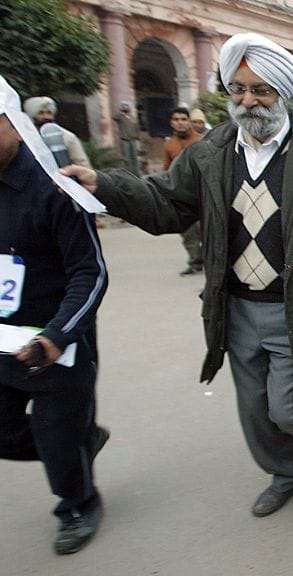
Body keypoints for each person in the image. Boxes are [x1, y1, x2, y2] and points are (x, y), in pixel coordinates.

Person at [62, 33, 293, 517]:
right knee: (254, 408)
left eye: (261, 90)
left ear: (283, 93)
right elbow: (165, 205)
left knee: (290, 406)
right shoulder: (210, 153)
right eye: (238, 88)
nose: (248, 100)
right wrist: (103, 185)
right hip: (235, 307)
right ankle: (287, 474)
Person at [0, 74, 109, 555]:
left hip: (57, 344)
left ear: (11, 124)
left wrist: (58, 336)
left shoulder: (54, 188)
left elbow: (91, 274)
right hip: (3, 340)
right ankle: (80, 443)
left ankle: (78, 503)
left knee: (56, 432)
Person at [163, 106, 204, 276]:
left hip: (203, 192)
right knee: (187, 232)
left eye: (183, 119)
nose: (180, 123)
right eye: (176, 120)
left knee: (209, 230)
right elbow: (166, 170)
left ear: (189, 122)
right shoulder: (169, 145)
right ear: (171, 123)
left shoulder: (201, 142)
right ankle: (195, 262)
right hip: (181, 195)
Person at [22, 96, 92, 168]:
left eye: (49, 113)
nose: (46, 117)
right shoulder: (22, 136)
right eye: (41, 113)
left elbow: (82, 164)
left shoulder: (67, 137)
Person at [113, 101, 140, 175]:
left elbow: (136, 127)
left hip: (133, 140)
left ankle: (136, 173)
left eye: (127, 106)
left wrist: (137, 135)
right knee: (126, 158)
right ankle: (129, 173)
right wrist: (121, 111)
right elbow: (114, 117)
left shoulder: (132, 118)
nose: (126, 108)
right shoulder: (120, 117)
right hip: (125, 140)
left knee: (134, 157)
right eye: (124, 106)